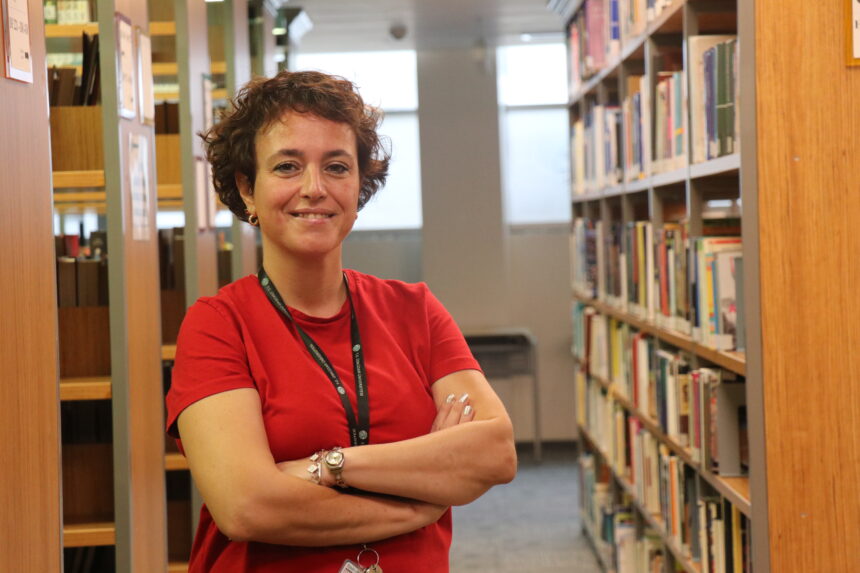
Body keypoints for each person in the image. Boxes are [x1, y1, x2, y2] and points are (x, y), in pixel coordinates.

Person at [165, 70, 517, 573]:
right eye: (287, 166)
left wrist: (327, 467)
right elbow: (247, 506)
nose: (314, 188)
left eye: (336, 167)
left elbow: (495, 453)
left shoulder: (414, 310)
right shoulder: (218, 327)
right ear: (247, 188)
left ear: (359, 185)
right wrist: (420, 499)